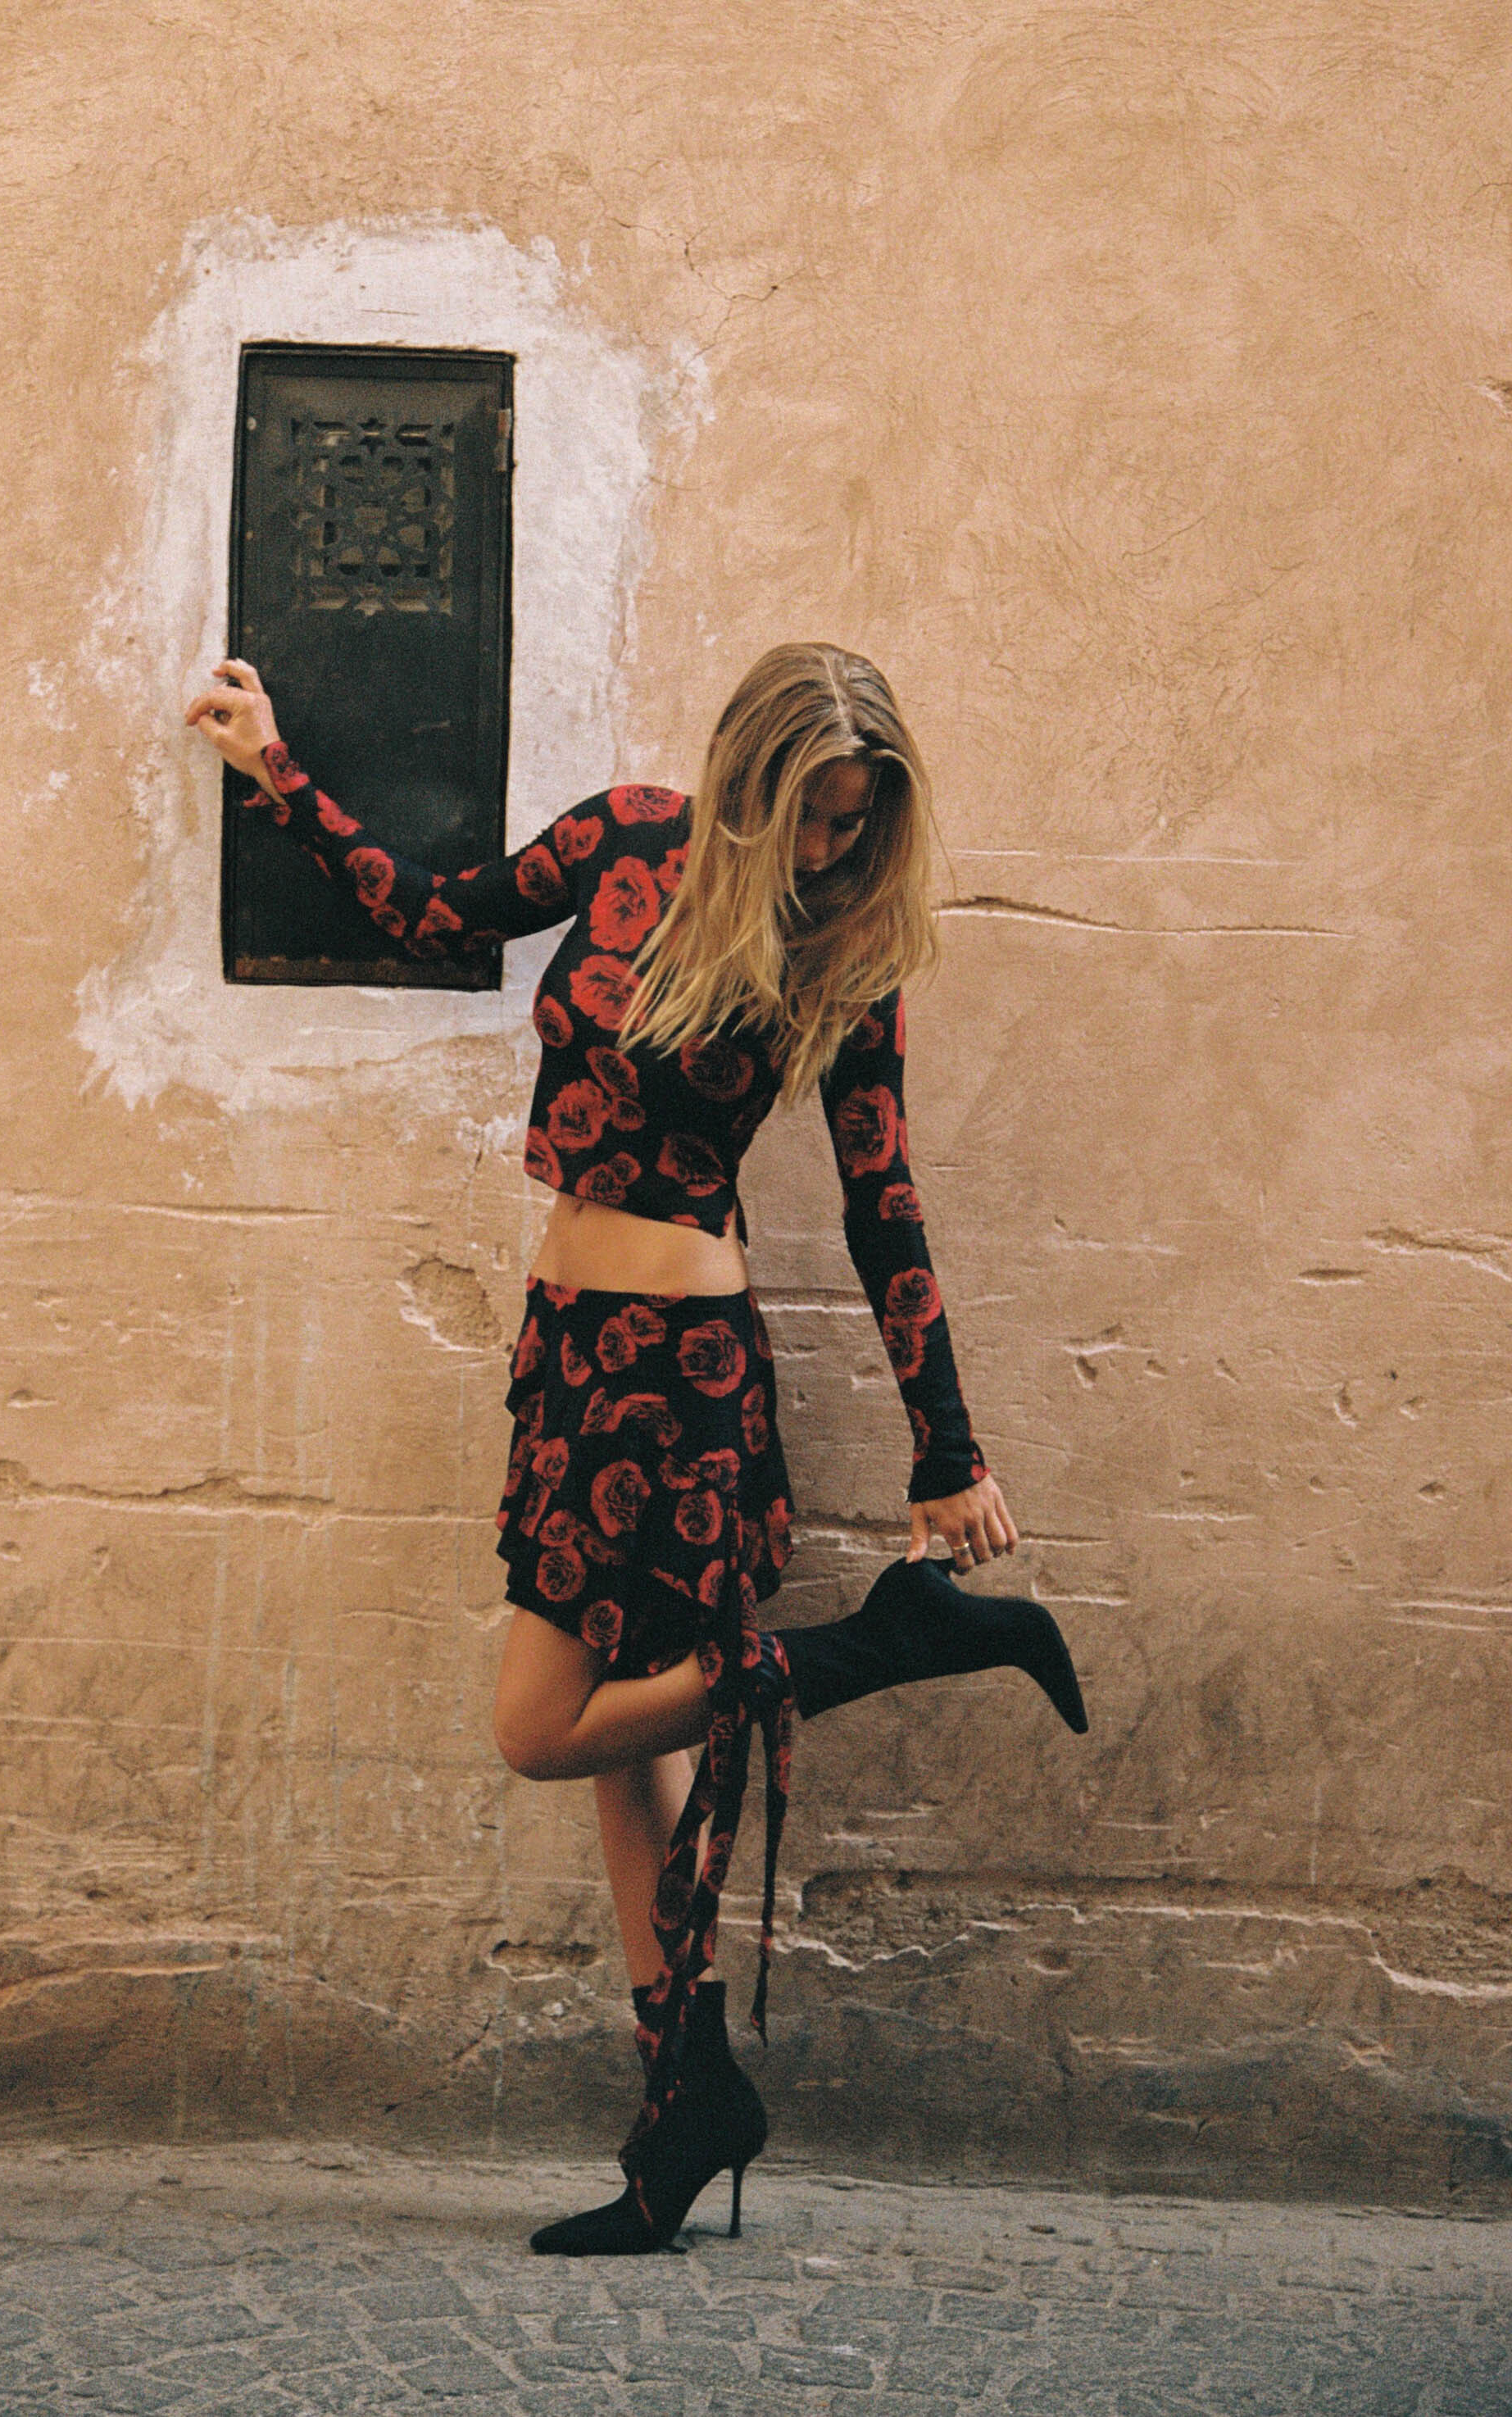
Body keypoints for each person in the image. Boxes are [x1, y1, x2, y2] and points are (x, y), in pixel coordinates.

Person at [185, 642, 1087, 2254]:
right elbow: (439, 913)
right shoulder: (624, 837)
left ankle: (875, 1646)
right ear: (748, 778)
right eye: (813, 815)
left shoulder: (840, 949)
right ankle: (687, 2104)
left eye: (856, 824)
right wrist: (276, 772)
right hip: (567, 1352)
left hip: (678, 1380)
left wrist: (945, 1447)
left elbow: (884, 1201)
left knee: (541, 1727)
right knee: (625, 1749)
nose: (830, 849)